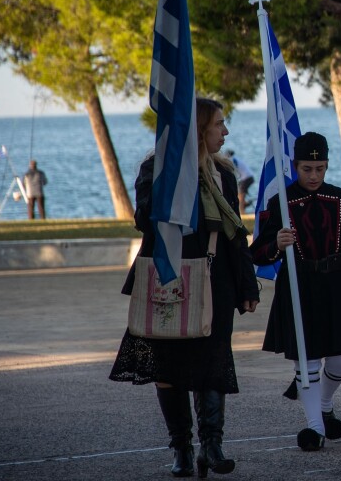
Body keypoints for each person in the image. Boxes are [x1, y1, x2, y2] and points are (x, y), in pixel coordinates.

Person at [110, 97, 261, 478]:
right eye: (218, 125)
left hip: (216, 281)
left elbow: (234, 235)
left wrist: (247, 285)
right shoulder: (156, 168)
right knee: (169, 366)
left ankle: (212, 444)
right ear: (197, 130)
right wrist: (172, 176)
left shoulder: (224, 174)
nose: (225, 131)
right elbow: (145, 220)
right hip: (168, 279)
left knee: (213, 363)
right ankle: (181, 446)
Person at [250, 132, 341, 452]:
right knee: (307, 359)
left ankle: (326, 404)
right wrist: (277, 243)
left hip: (335, 285)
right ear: (295, 166)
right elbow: (257, 252)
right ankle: (314, 425)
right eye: (307, 169)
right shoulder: (281, 203)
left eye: (319, 168)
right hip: (299, 286)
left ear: (327, 165)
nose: (314, 176)